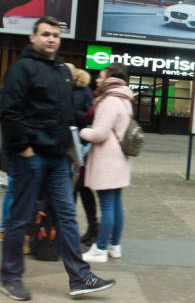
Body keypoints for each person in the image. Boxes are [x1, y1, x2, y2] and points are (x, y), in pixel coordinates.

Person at [0, 16, 115, 300]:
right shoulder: (21, 69)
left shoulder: (63, 71)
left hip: (58, 161)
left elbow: (66, 115)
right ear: (33, 37)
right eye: (46, 34)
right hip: (30, 158)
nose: (51, 39)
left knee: (66, 218)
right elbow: (10, 114)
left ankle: (80, 277)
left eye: (55, 35)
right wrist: (25, 149)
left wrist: (69, 149)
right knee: (20, 219)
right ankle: (10, 277)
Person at [80, 63, 134, 263]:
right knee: (116, 203)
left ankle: (100, 249)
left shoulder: (110, 100)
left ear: (110, 78)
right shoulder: (125, 98)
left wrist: (82, 132)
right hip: (120, 157)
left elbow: (100, 133)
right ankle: (115, 246)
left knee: (107, 206)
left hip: (107, 158)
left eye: (101, 76)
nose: (97, 79)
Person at [65, 64, 98, 246]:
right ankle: (73, 231)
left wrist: (71, 113)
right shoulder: (62, 88)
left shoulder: (84, 91)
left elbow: (88, 116)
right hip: (65, 142)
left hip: (80, 144)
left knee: (80, 187)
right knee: (74, 188)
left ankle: (91, 228)